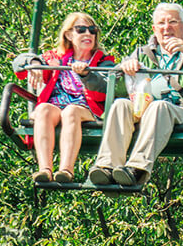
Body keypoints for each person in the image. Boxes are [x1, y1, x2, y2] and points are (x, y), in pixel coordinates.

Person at [87, 3, 183, 187]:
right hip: (143, 109)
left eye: (172, 22)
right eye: (161, 23)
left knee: (159, 106)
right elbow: (113, 88)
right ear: (154, 29)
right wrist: (122, 71)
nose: (167, 28)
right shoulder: (143, 54)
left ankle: (137, 170)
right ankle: (106, 167)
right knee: (120, 105)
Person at [13, 12, 115, 184]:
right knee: (43, 109)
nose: (88, 34)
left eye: (92, 30)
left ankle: (66, 170)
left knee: (71, 112)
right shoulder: (56, 59)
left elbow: (104, 88)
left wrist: (86, 75)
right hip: (55, 106)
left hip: (87, 109)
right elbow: (20, 62)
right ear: (68, 34)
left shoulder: (102, 62)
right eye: (81, 29)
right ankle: (45, 169)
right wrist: (36, 63)